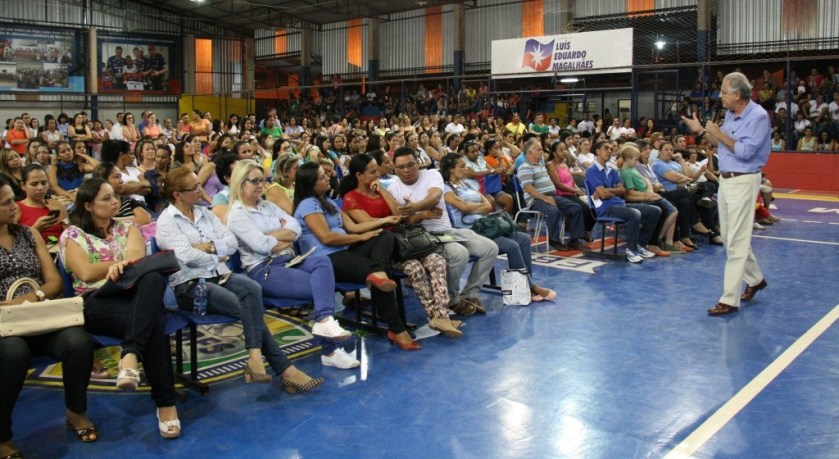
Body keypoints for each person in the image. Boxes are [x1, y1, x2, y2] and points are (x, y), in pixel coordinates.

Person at [156, 167, 324, 390]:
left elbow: (231, 243)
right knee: (245, 307)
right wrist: (215, 252)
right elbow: (185, 257)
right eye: (194, 187)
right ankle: (285, 369)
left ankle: (255, 357)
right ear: (177, 194)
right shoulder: (166, 222)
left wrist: (206, 248)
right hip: (190, 287)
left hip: (221, 275)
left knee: (251, 288)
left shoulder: (205, 213)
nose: (200, 190)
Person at [58, 178, 181, 438]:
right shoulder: (72, 234)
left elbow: (137, 260)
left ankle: (131, 353)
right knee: (153, 321)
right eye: (106, 198)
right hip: (95, 302)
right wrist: (116, 263)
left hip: (132, 296)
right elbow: (85, 271)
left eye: (115, 196)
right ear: (88, 205)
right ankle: (166, 404)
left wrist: (125, 264)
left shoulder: (128, 229)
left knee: (151, 277)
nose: (115, 201)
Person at [226, 161, 361, 368]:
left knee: (322, 262)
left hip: (289, 260)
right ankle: (330, 350)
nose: (261, 185)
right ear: (240, 183)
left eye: (262, 180)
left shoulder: (268, 206)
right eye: (255, 181)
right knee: (321, 288)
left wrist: (273, 237)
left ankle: (325, 323)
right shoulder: (237, 214)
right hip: (264, 269)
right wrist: (280, 238)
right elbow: (261, 246)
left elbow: (296, 228)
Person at [0, 177, 97, 459]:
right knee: (14, 352)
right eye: (6, 203)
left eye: (12, 200)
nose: (13, 206)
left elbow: (54, 281)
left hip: (38, 314)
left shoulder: (30, 235)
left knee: (77, 342)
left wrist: (30, 298)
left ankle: (75, 412)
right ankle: (3, 434)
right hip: (5, 327)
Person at [294, 161, 421, 350]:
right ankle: (397, 328)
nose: (327, 177)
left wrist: (383, 221)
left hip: (346, 251)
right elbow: (327, 238)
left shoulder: (328, 202)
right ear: (310, 183)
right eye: (321, 177)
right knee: (379, 270)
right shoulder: (307, 205)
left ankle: (379, 274)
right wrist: (360, 237)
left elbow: (352, 227)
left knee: (385, 236)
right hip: (327, 260)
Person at [340, 154, 462, 338]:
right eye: (372, 172)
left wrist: (383, 192)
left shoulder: (380, 190)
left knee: (437, 260)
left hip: (402, 244)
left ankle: (441, 316)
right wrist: (387, 219)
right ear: (359, 175)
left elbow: (399, 213)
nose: (377, 175)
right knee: (415, 268)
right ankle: (436, 316)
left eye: (377, 171)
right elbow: (368, 223)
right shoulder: (351, 198)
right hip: (381, 248)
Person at [681, 71, 771, 316]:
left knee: (737, 241)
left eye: (723, 91)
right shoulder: (731, 115)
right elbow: (718, 143)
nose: (719, 95)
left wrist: (719, 133)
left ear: (738, 95)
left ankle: (729, 299)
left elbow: (744, 151)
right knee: (730, 237)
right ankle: (755, 279)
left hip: (743, 180)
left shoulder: (758, 117)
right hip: (727, 180)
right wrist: (701, 131)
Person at [389, 147, 499, 315]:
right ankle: (452, 300)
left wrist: (413, 208)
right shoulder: (393, 189)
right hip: (423, 236)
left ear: (418, 163)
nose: (406, 170)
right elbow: (402, 220)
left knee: (490, 248)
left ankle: (469, 294)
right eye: (400, 167)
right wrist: (423, 214)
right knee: (459, 254)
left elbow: (434, 197)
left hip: (448, 230)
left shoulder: (432, 174)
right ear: (394, 168)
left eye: (410, 165)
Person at [439, 153, 556, 303]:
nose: (466, 168)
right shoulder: (445, 188)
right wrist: (478, 207)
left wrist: (474, 208)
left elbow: (489, 204)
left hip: (485, 225)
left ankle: (526, 286)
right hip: (469, 230)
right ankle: (530, 287)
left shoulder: (466, 184)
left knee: (524, 239)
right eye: (462, 166)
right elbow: (462, 206)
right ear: (451, 170)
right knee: (512, 245)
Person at [584, 141, 661, 263]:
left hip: (620, 204)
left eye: (611, 149)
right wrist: (608, 192)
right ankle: (631, 250)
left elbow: (622, 190)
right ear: (597, 151)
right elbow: (604, 195)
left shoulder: (612, 170)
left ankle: (640, 245)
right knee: (634, 213)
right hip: (605, 209)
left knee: (655, 211)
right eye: (606, 148)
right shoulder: (592, 170)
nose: (609, 151)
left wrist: (606, 190)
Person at [516, 138, 588, 251]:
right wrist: (545, 198)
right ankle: (554, 240)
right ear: (529, 152)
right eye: (538, 149)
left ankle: (574, 240)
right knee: (554, 211)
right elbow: (528, 188)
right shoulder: (525, 167)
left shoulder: (540, 164)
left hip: (551, 196)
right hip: (536, 199)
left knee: (576, 207)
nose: (542, 151)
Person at [15, 164, 68, 241]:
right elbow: (14, 244)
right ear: (23, 185)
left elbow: (70, 234)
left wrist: (64, 219)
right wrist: (36, 228)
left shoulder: (56, 204)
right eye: (34, 184)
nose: (40, 188)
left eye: (44, 183)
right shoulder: (16, 209)